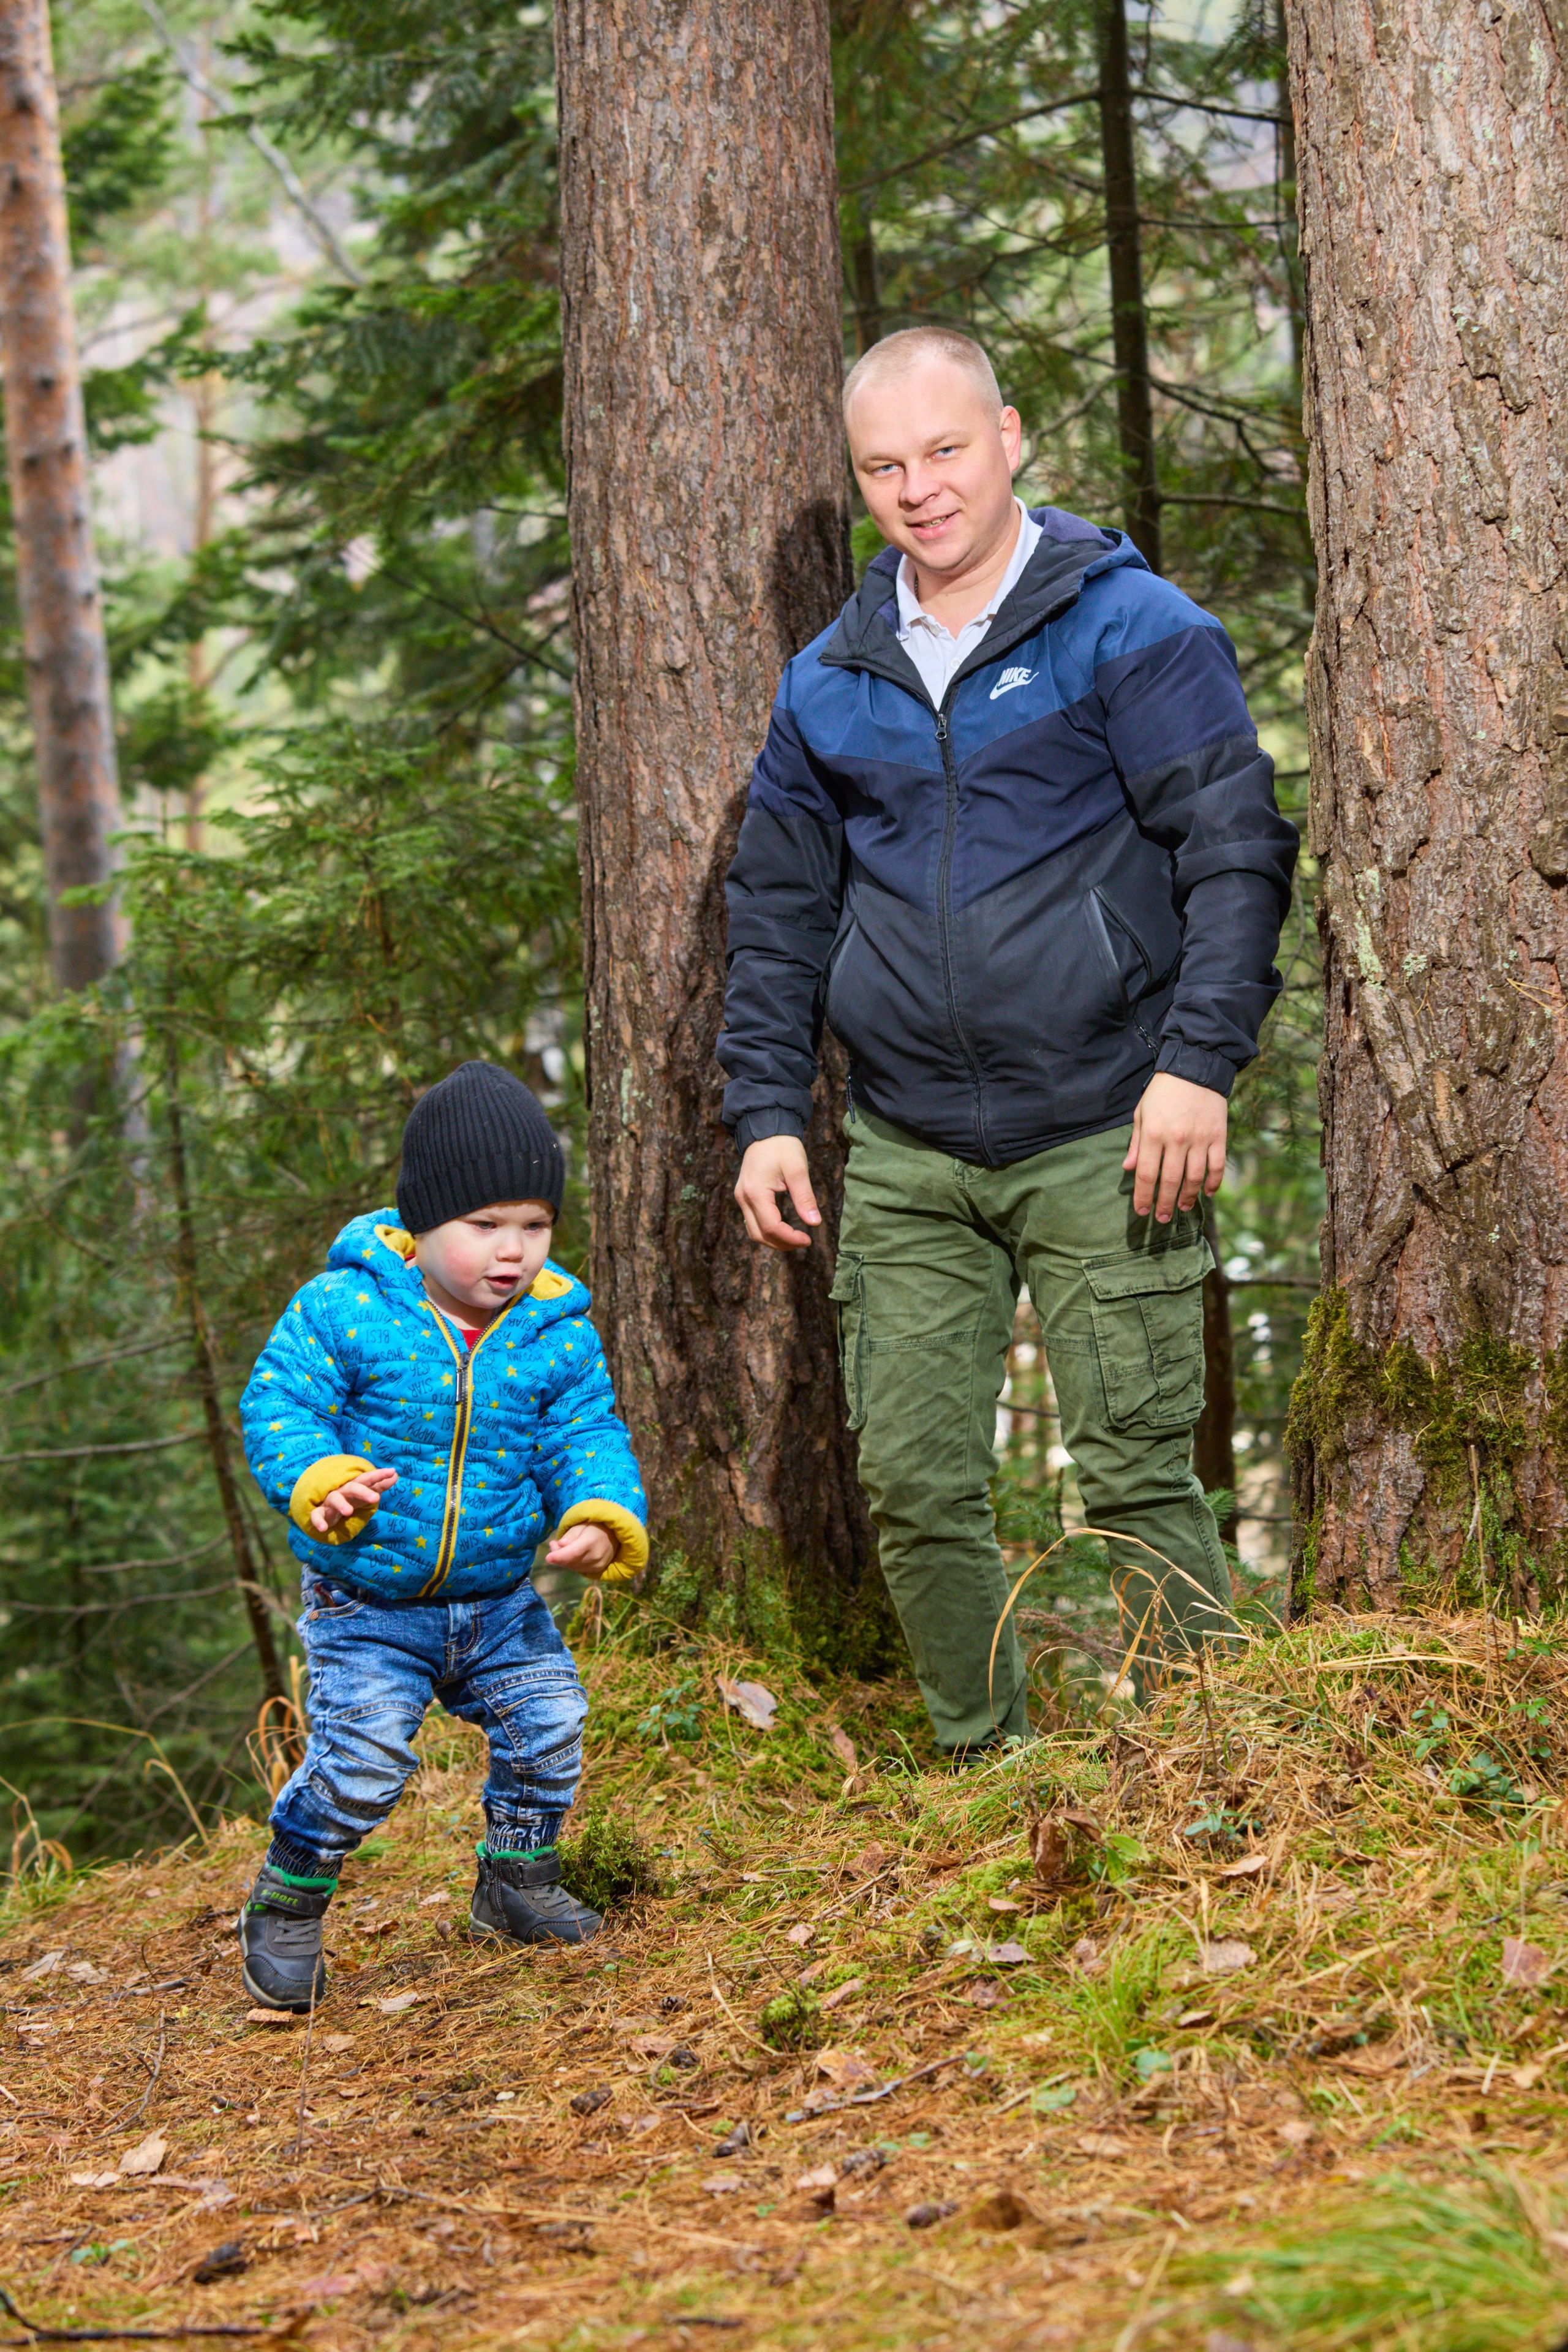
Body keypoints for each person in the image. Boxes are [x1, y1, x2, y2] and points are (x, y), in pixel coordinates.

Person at [718, 327, 1297, 1755]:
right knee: (914, 1483)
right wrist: (765, 1111)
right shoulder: (828, 679)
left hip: (1111, 1123)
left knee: (1136, 1473)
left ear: (1009, 436)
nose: (918, 488)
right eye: (882, 465)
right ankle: (988, 1778)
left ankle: (1208, 1775)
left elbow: (1232, 850)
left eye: (944, 449)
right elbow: (779, 905)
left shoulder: (1130, 626)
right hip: (908, 1148)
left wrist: (1197, 1065)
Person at [236, 1060, 647, 2010]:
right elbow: (282, 1405)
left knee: (551, 1725)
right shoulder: (349, 1306)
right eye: (484, 1226)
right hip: (370, 1602)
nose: (513, 1252)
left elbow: (587, 1433)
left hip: (500, 1600)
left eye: (535, 1226)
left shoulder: (555, 1330)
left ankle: (515, 1882)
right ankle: (289, 1899)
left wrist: (596, 1515)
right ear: (421, 1224)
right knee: (363, 1762)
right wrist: (320, 1482)